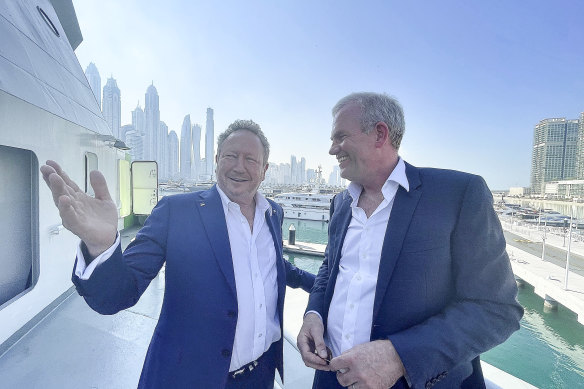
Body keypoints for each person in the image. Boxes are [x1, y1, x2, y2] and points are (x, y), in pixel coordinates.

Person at [40, 119, 315, 388]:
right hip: (191, 377)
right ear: (217, 159)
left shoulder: (273, 213)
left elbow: (272, 264)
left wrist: (323, 285)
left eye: (250, 159)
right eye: (231, 156)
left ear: (264, 169)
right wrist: (101, 246)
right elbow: (118, 294)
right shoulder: (177, 211)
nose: (239, 166)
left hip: (261, 375)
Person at [297, 92, 523, 389]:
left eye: (340, 137)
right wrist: (313, 314)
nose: (331, 149)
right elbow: (330, 269)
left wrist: (399, 357)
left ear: (380, 133)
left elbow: (497, 309)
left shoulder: (457, 194)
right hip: (329, 378)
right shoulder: (341, 203)